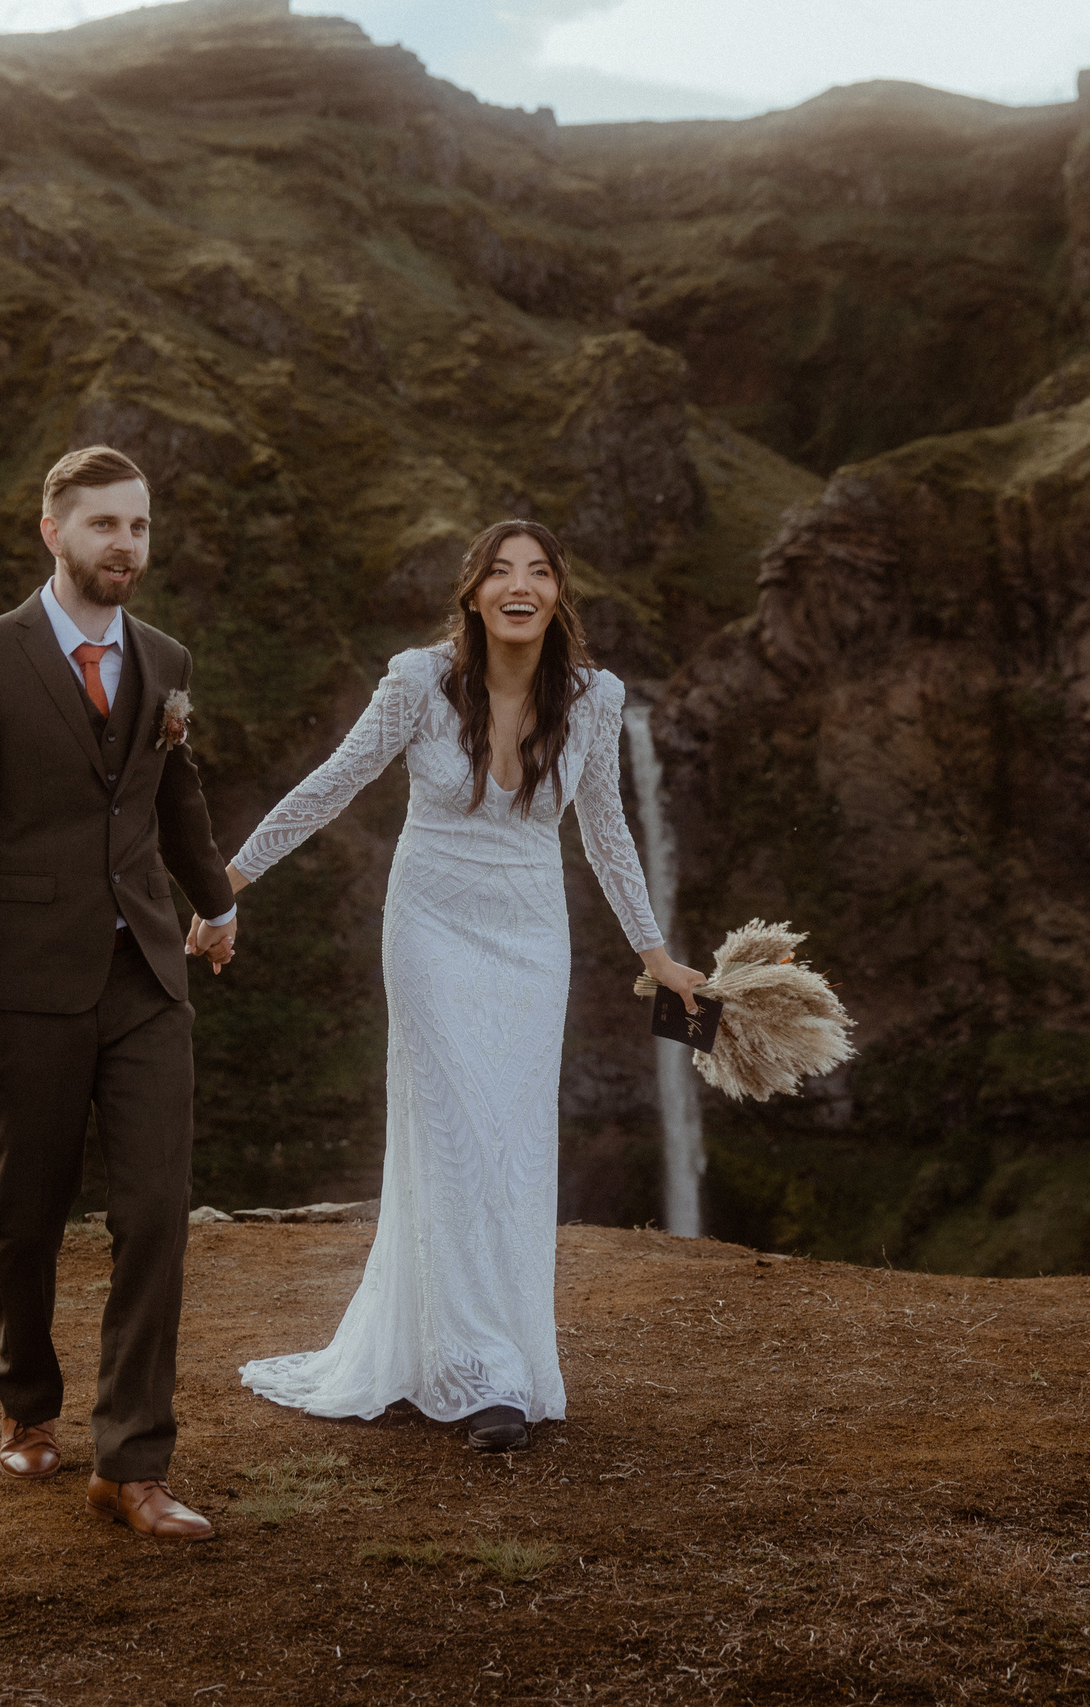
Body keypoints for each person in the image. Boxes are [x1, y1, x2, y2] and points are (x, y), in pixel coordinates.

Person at [226, 519, 707, 1451]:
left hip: (531, 936)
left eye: (538, 572)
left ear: (559, 593)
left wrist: (655, 955)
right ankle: (481, 1371)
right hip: (431, 928)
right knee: (452, 1134)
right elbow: (333, 785)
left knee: (511, 1139)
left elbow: (605, 831)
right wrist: (227, 882)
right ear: (474, 593)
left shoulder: (595, 699)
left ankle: (494, 1346)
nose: (518, 585)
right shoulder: (416, 683)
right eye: (500, 570)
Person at [0, 445, 240, 1541]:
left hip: (144, 974)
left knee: (152, 1217)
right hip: (23, 983)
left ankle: (132, 1463)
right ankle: (25, 1403)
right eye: (103, 526)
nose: (124, 546)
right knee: (28, 1217)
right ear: (54, 533)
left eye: (137, 526)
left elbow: (168, 792)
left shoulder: (164, 658)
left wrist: (215, 901)